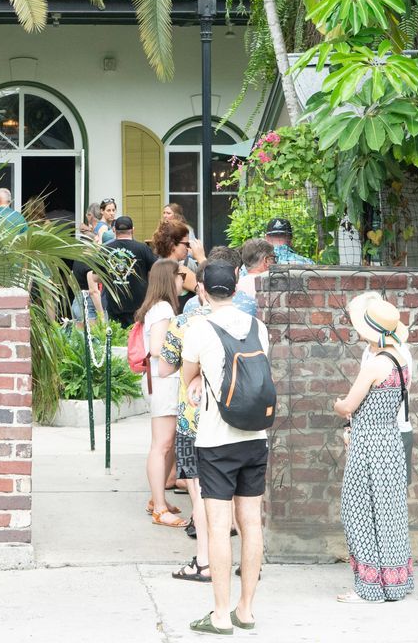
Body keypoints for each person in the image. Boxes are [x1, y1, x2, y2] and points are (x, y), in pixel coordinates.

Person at [180, 261, 268, 635]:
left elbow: (187, 376)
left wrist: (199, 374)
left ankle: (219, 614)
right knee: (251, 523)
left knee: (218, 527)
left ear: (201, 290)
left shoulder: (198, 328)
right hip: (255, 437)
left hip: (217, 440)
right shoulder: (258, 327)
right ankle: (245, 610)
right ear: (235, 285)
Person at [334, 292, 415, 604]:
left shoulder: (373, 366)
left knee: (357, 512)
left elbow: (348, 405)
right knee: (389, 513)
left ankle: (368, 586)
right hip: (391, 442)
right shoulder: (402, 361)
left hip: (368, 445)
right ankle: (395, 583)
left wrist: (337, 404)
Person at [164, 258, 213, 583]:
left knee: (198, 492)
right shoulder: (248, 321)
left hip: (194, 418)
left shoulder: (183, 322)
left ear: (201, 288)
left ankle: (205, 562)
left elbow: (167, 368)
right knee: (238, 497)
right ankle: (251, 564)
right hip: (236, 416)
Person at [139, 260, 187, 529]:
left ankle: (156, 499)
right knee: (162, 444)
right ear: (170, 279)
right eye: (181, 275)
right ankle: (159, 507)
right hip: (164, 380)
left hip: (163, 380)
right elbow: (158, 348)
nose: (183, 280)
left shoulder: (158, 306)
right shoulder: (163, 308)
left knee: (167, 444)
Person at [84, 215, 156, 324]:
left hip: (114, 306)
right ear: (133, 230)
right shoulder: (143, 248)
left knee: (117, 339)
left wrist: (112, 275)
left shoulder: (105, 250)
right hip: (139, 306)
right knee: (136, 339)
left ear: (114, 230)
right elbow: (156, 271)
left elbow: (95, 277)